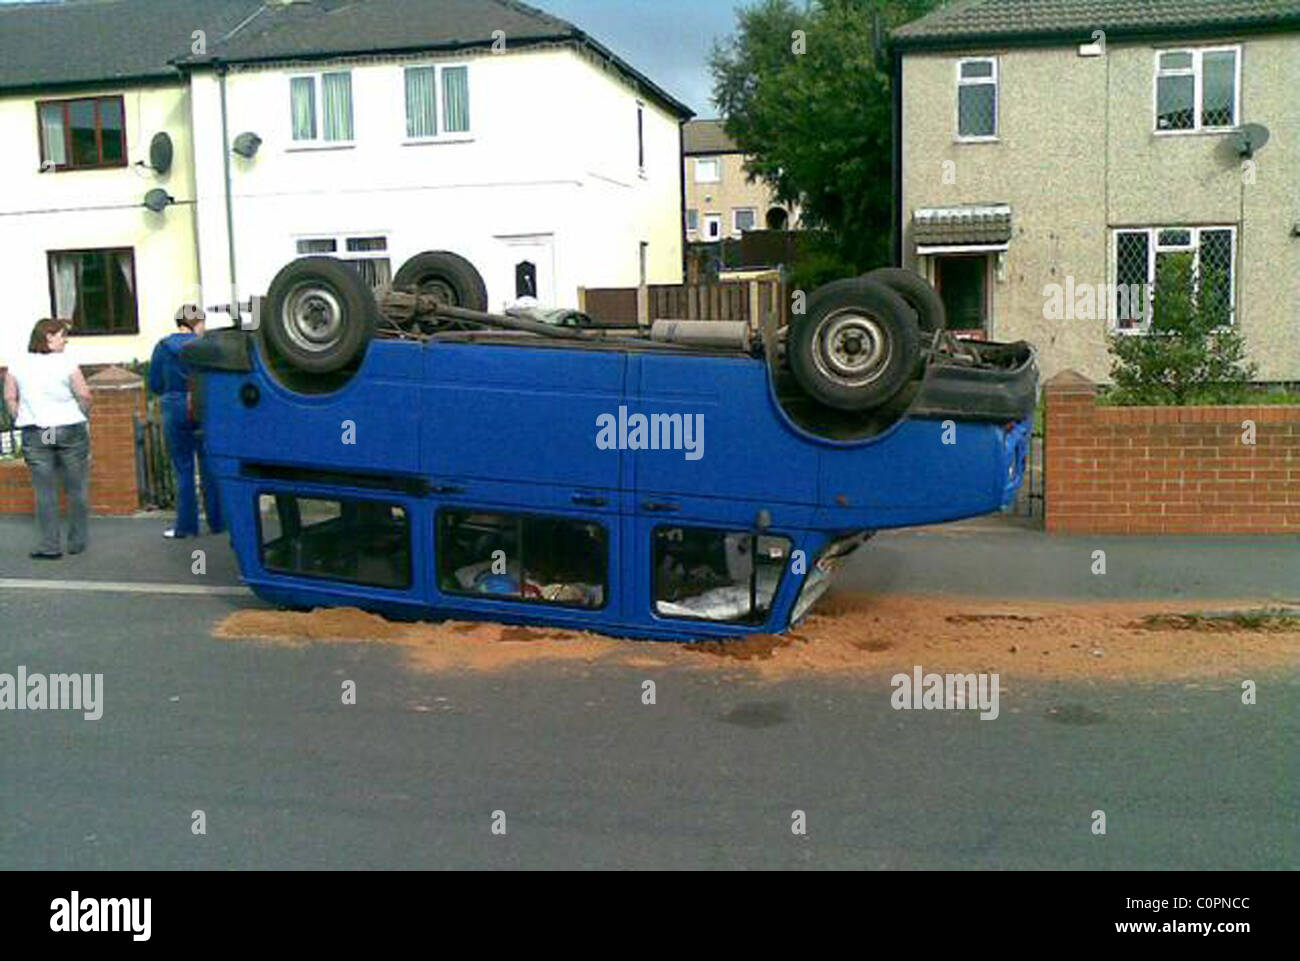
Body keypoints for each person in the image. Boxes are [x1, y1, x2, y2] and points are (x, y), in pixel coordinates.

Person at [3, 319, 93, 559]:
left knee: (45, 491)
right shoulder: (67, 363)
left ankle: (50, 546)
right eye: (63, 335)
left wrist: (21, 415)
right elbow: (84, 394)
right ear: (49, 337)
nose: (65, 340)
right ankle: (77, 541)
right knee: (76, 487)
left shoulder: (17, 364)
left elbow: (10, 398)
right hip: (69, 428)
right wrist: (80, 414)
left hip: (36, 431)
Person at [149, 305, 224, 539]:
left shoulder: (163, 347)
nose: (204, 327)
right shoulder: (207, 347)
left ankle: (186, 527)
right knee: (209, 465)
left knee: (183, 469)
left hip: (174, 405)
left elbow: (154, 383)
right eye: (202, 323)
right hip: (203, 406)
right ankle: (218, 522)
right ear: (195, 323)